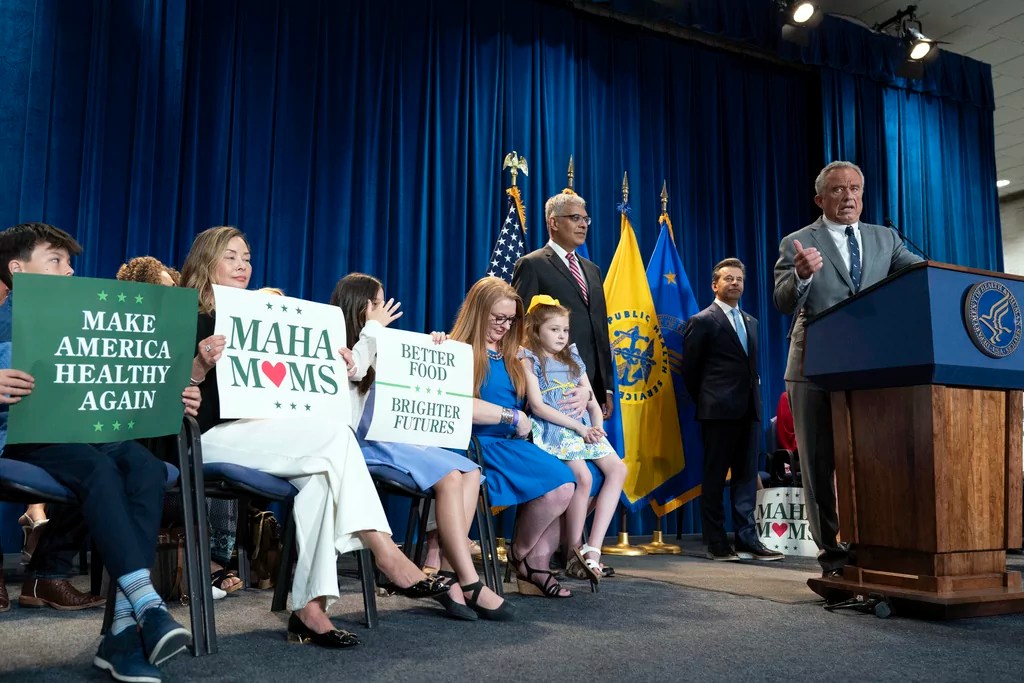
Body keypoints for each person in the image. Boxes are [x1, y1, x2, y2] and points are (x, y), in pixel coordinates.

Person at [180, 226, 447, 649]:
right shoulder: (185, 315)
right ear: (205, 260)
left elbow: (293, 388)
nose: (242, 265)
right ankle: (387, 554)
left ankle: (311, 610)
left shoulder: (262, 314)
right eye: (230, 256)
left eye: (246, 257)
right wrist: (199, 365)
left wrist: (332, 362)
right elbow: (164, 390)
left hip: (262, 432)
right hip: (205, 435)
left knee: (321, 479)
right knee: (334, 442)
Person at [0, 222, 201, 682]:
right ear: (18, 268)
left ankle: (122, 631)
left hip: (89, 429)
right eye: (56, 260)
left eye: (70, 262)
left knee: (148, 470)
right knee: (98, 469)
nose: (69, 271)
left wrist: (182, 390)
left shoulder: (87, 317)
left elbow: (131, 379)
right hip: (29, 439)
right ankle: (145, 604)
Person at [331, 273, 513, 621]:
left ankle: (448, 570)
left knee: (470, 471)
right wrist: (374, 330)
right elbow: (354, 372)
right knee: (448, 477)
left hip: (396, 438)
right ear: (361, 308)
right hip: (363, 443)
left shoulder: (380, 340)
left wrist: (434, 347)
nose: (384, 309)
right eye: (378, 303)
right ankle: (469, 580)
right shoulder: (347, 343)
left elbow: (414, 373)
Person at [773, 161, 921, 576]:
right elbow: (784, 302)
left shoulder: (885, 238)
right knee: (819, 464)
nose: (849, 197)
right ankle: (833, 557)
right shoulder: (798, 242)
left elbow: (918, 274)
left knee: (872, 459)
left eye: (855, 188)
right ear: (820, 199)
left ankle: (871, 546)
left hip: (870, 367)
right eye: (838, 190)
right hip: (813, 363)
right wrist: (801, 277)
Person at [117, 255, 242, 597]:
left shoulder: (182, 337)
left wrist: (193, 381)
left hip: (171, 455)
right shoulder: (122, 339)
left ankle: (207, 564)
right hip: (136, 450)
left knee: (205, 458)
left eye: (175, 289)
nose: (174, 297)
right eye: (163, 289)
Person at [449, 277, 576, 598]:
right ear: (478, 313)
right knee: (561, 481)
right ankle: (525, 561)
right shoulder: (457, 350)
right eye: (497, 318)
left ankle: (528, 558)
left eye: (511, 319)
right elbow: (457, 404)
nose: (504, 326)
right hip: (474, 445)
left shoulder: (517, 354)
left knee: (570, 481)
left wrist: (588, 391)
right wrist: (512, 416)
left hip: (513, 444)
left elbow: (564, 374)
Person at [519, 295, 625, 589]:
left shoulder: (573, 356)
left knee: (618, 469)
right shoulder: (529, 358)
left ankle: (594, 547)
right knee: (583, 477)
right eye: (554, 330)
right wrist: (579, 429)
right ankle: (572, 550)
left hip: (583, 427)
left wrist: (597, 427)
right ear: (536, 329)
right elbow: (538, 406)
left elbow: (591, 399)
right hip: (557, 427)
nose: (561, 336)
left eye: (564, 330)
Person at [682, 258, 783, 562]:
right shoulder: (702, 321)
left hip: (749, 410)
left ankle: (747, 539)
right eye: (729, 278)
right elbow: (690, 372)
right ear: (715, 285)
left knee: (745, 478)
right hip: (718, 412)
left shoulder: (751, 321)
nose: (736, 283)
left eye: (740, 279)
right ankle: (716, 542)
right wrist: (710, 401)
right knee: (714, 478)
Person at [512, 192, 614, 420]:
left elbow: (599, 331)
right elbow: (518, 326)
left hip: (589, 385)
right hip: (552, 385)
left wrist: (605, 387)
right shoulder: (532, 264)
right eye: (575, 218)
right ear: (554, 222)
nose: (582, 225)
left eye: (585, 220)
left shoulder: (593, 270)